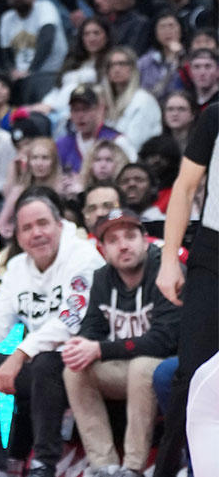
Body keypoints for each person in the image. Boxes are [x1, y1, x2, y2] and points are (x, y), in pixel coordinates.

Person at [0, 192, 105, 477]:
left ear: (59, 224)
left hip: (88, 362)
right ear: (17, 236)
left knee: (45, 361)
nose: (36, 233)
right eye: (27, 228)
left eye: (43, 223)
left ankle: (44, 463)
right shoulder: (18, 267)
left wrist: (20, 354)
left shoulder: (84, 256)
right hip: (43, 366)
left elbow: (71, 320)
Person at [62, 208, 180, 477]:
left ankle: (132, 467)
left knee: (142, 367)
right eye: (113, 240)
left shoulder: (166, 270)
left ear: (145, 239)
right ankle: (104, 465)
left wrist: (100, 349)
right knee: (75, 370)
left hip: (168, 367)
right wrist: (80, 345)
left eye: (129, 236)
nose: (123, 245)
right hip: (126, 365)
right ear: (102, 249)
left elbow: (164, 340)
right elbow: (92, 326)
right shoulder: (102, 277)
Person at [154, 103, 218, 477]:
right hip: (213, 252)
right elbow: (185, 187)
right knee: (190, 377)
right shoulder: (215, 117)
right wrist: (167, 260)